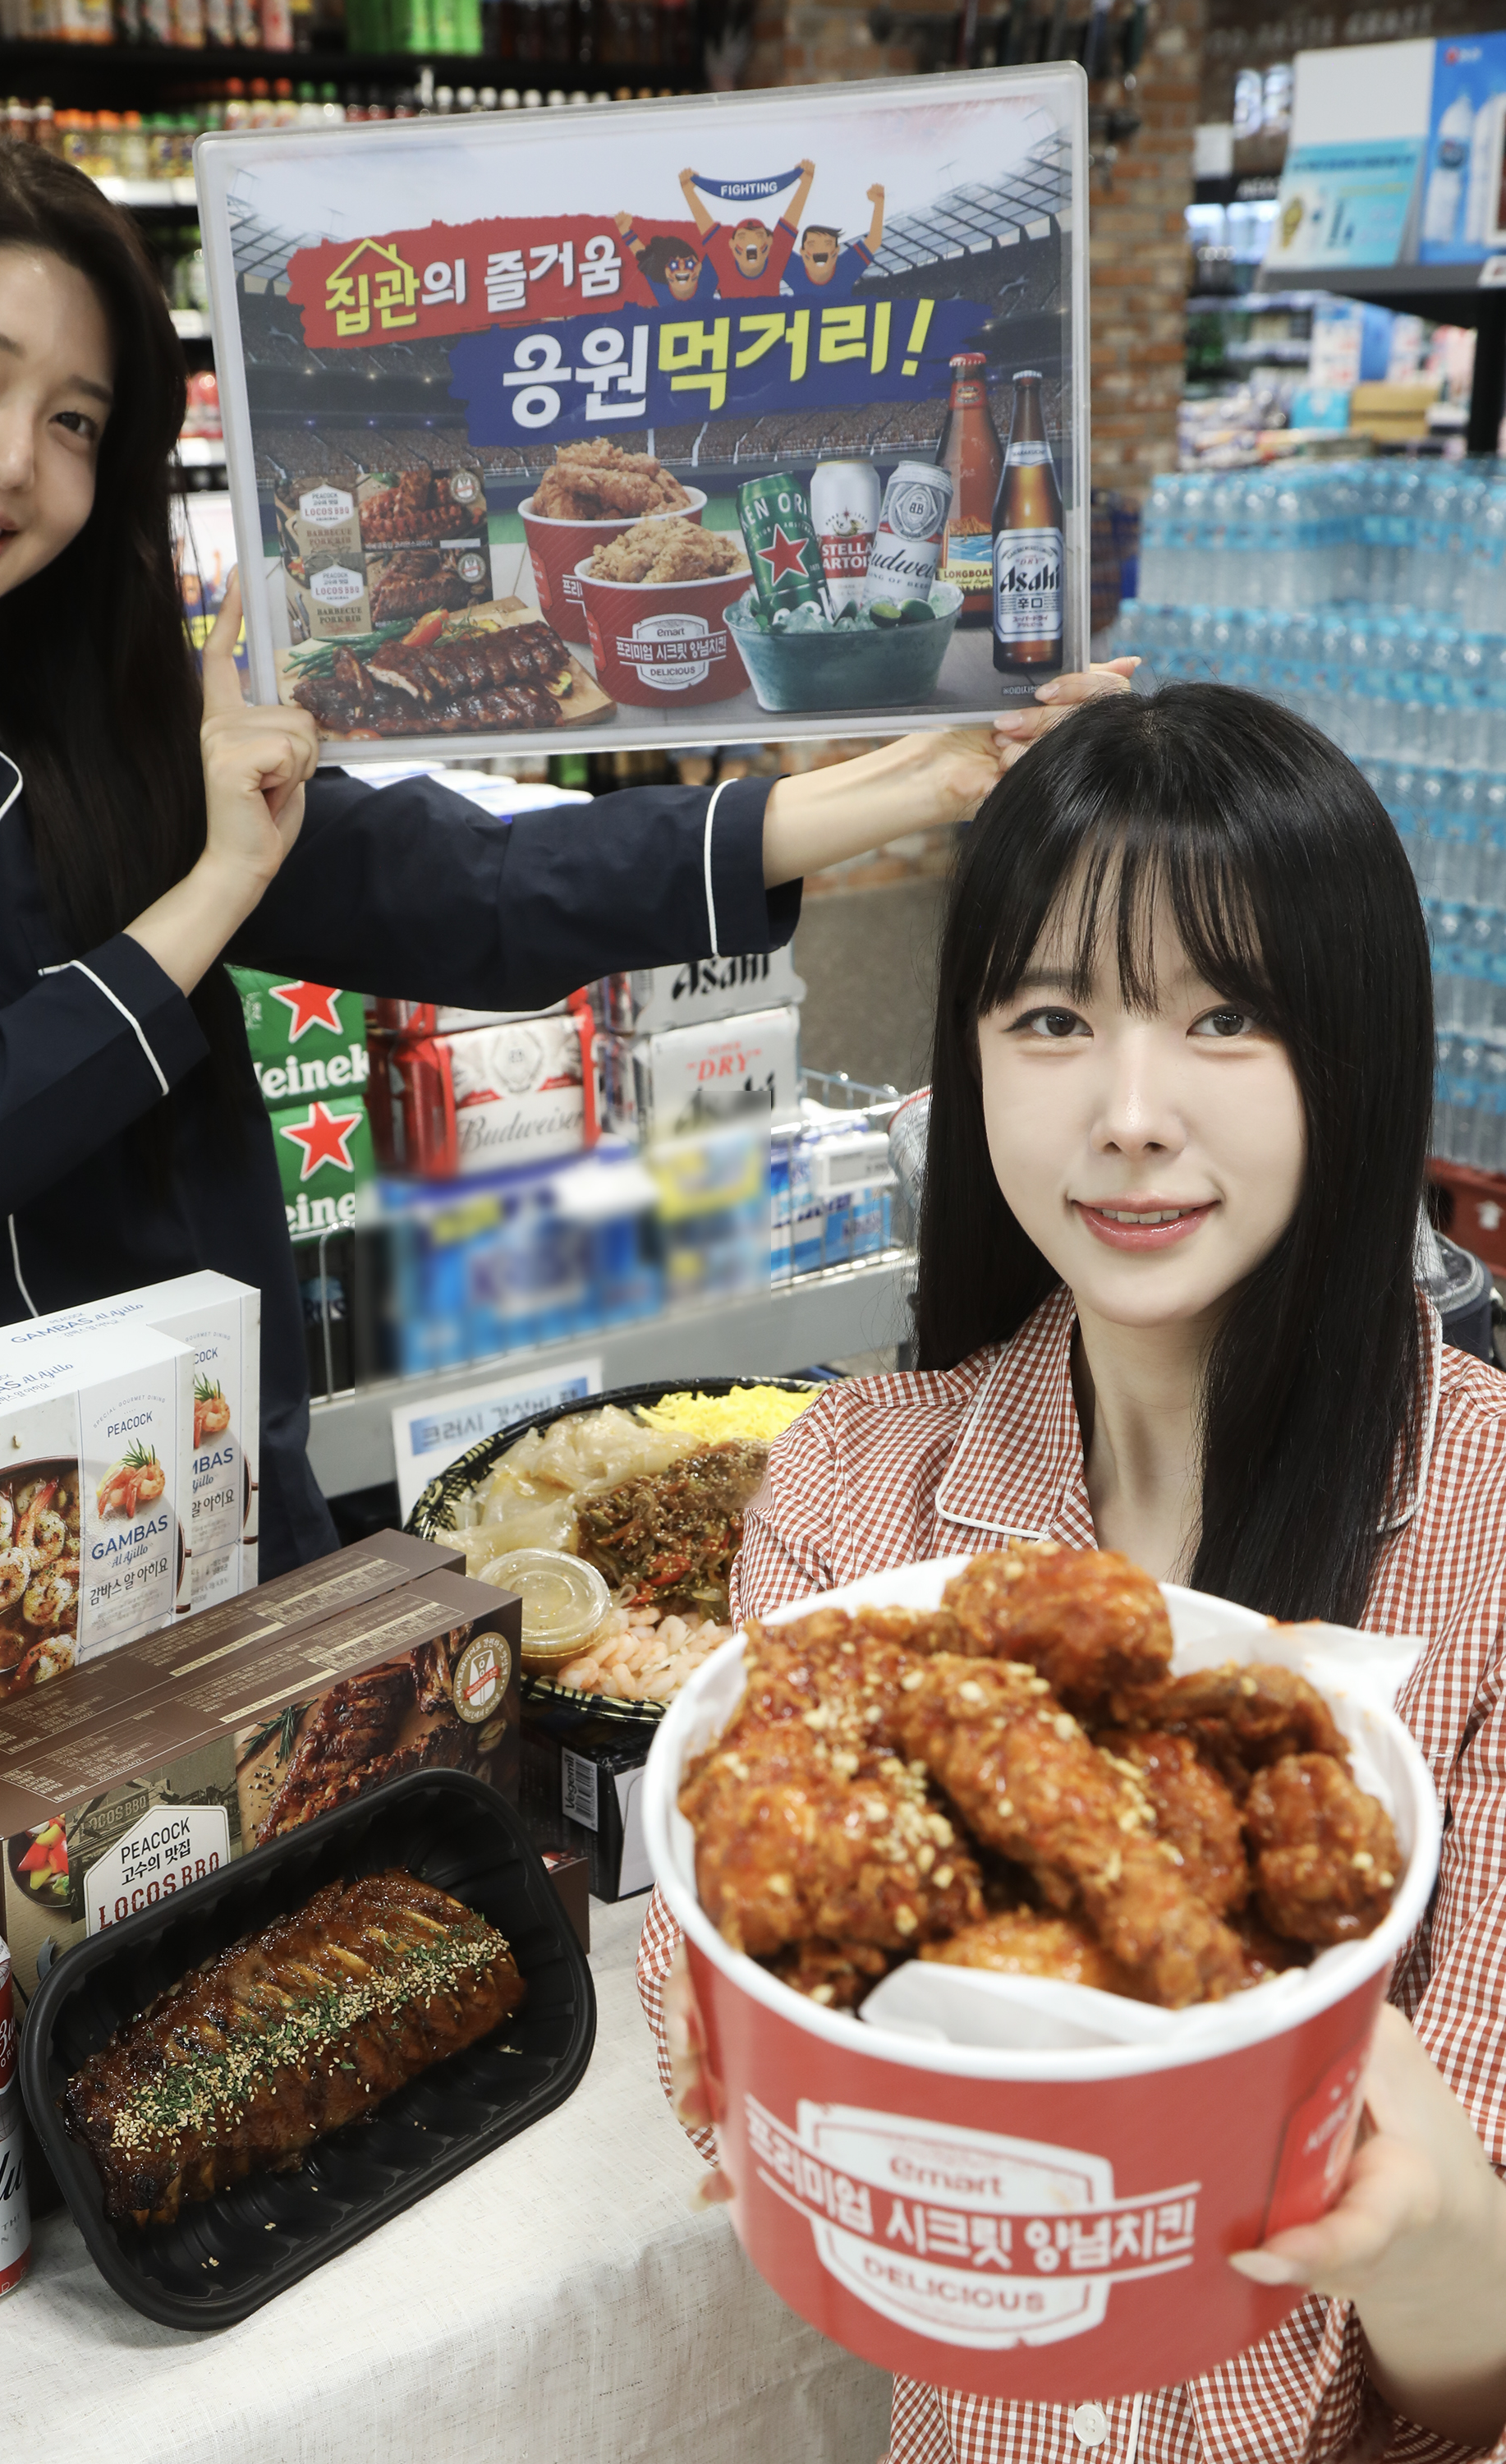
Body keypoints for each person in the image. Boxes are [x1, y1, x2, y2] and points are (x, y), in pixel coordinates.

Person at [0, 125, 1109, 1579]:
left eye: (75, 420)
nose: (12, 455)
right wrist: (213, 889)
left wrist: (905, 780)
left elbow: (454, 888)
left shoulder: (88, 706)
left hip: (194, 1547)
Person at [638, 681, 1506, 2462]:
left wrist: (1418, 2233)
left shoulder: (1486, 1535)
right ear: (966, 1058)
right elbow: (704, 1995)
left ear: (1356, 1049)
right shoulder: (852, 1488)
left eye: (1224, 1019)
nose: (1127, 1112)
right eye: (1051, 1017)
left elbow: (1468, 2388)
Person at [677, 159, 814, 298]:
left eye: (759, 236)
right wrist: (688, 189)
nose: (751, 242)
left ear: (769, 242)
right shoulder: (725, 261)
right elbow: (705, 223)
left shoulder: (774, 258)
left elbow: (790, 221)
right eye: (742, 237)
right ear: (732, 244)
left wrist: (806, 182)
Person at [787, 185, 886, 297]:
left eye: (827, 244)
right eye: (812, 244)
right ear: (802, 251)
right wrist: (805, 184)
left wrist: (879, 203)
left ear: (836, 250)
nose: (820, 250)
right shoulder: (796, 270)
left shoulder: (844, 268)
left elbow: (874, 241)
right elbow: (778, 243)